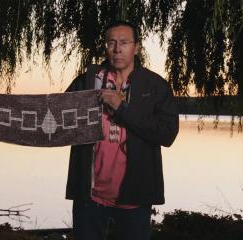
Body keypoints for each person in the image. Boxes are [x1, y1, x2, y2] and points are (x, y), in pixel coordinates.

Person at [65, 21, 179, 240]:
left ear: (136, 47)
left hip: (135, 197)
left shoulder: (154, 86)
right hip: (89, 197)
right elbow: (55, 115)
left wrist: (121, 108)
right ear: (105, 46)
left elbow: (167, 134)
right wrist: (4, 110)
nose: (117, 49)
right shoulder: (88, 81)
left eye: (124, 42)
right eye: (112, 42)